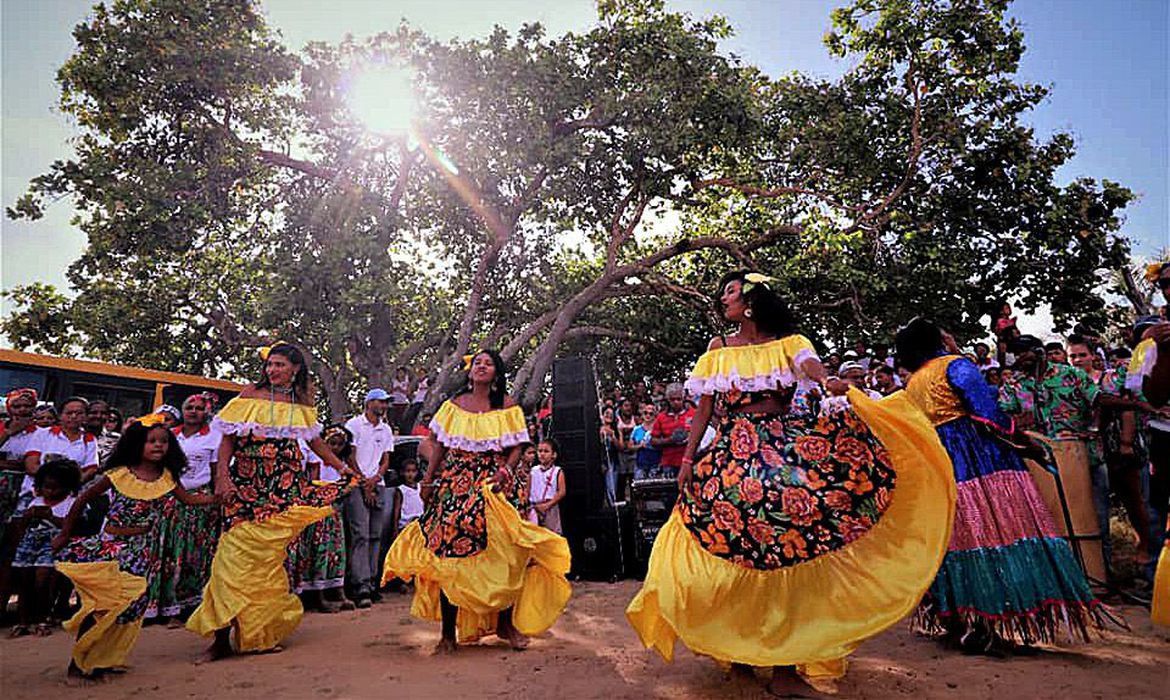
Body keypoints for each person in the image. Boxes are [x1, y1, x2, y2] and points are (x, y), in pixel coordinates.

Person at [626, 270, 955, 697]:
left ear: (751, 301)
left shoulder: (791, 343)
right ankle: (740, 654)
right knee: (733, 550)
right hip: (730, 457)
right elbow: (705, 408)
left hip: (780, 451)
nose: (723, 299)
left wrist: (828, 380)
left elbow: (810, 367)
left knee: (784, 552)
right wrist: (688, 459)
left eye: (730, 292)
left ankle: (783, 666)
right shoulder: (717, 348)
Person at [896, 318, 1103, 654]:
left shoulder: (914, 383)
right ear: (937, 340)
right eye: (944, 333)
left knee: (961, 541)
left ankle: (963, 623)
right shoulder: (955, 366)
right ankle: (988, 624)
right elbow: (987, 414)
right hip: (981, 461)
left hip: (941, 469)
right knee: (998, 533)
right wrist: (1025, 442)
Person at [382, 349, 571, 653]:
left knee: (506, 553)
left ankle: (505, 625)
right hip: (456, 486)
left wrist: (506, 471)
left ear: (496, 373)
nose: (482, 366)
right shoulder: (453, 405)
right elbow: (438, 446)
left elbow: (517, 446)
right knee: (449, 556)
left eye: (489, 363)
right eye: (478, 363)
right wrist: (428, 481)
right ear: (470, 371)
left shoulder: (507, 405)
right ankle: (447, 634)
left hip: (495, 485)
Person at [186, 341, 358, 662]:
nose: (273, 370)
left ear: (295, 368)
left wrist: (343, 468)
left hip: (284, 490)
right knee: (228, 562)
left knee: (266, 565)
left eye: (280, 365)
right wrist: (223, 477)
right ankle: (220, 639)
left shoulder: (301, 400)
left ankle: (258, 634)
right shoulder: (250, 393)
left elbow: (315, 442)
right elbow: (228, 440)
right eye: (270, 364)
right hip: (245, 489)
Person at [53, 415, 216, 683]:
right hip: (111, 547)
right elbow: (81, 500)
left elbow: (189, 500)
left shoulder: (167, 478)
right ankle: (77, 664)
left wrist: (218, 498)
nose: (158, 445)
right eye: (151, 441)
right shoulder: (119, 474)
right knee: (103, 606)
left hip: (143, 551)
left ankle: (104, 660)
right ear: (136, 444)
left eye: (163, 441)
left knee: (129, 609)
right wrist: (64, 533)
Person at [999, 335, 1112, 580]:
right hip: (1041, 464)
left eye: (1024, 352)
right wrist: (1015, 423)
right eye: (1016, 354)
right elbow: (1004, 418)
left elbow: (1099, 400)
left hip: (1083, 458)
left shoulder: (1069, 374)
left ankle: (1099, 576)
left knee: (1094, 519)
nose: (1020, 358)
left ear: (1039, 351)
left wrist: (1095, 428)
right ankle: (1063, 580)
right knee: (1051, 523)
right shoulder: (1014, 385)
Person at [145, 393, 222, 624]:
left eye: (199, 408)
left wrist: (216, 501)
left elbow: (217, 471)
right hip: (166, 499)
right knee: (162, 551)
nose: (193, 411)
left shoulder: (214, 437)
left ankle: (184, 607)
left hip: (199, 502)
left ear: (206, 412)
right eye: (189, 407)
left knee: (192, 553)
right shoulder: (169, 435)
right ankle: (157, 606)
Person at [9, 459, 80, 637]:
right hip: (29, 545)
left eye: (55, 488)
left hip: (52, 546)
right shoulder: (35, 502)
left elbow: (71, 527)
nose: (50, 491)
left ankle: (43, 618)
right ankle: (23, 621)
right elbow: (22, 526)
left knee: (43, 581)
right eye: (46, 487)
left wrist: (50, 517)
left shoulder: (71, 503)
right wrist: (28, 516)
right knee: (24, 582)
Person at [289, 424, 355, 613]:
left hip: (332, 509)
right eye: (332, 443)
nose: (335, 447)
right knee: (317, 551)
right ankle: (318, 596)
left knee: (336, 551)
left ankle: (338, 591)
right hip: (316, 509)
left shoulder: (339, 463)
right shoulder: (313, 454)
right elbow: (313, 481)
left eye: (340, 444)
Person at [343, 388, 394, 608]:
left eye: (386, 403)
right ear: (369, 403)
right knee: (360, 535)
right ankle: (359, 584)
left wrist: (376, 479)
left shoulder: (386, 429)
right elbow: (350, 457)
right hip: (357, 485)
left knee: (375, 535)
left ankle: (373, 582)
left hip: (377, 484)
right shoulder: (354, 425)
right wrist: (364, 483)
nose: (384, 406)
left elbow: (386, 459)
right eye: (381, 402)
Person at [650, 384, 694, 478]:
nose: (676, 402)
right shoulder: (661, 417)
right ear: (668, 400)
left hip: (690, 461)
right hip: (669, 463)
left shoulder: (692, 414)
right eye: (672, 399)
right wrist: (670, 440)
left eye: (679, 399)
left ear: (684, 398)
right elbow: (653, 441)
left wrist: (689, 438)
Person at [529, 438, 566, 534]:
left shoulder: (557, 471)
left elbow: (562, 491)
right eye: (540, 451)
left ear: (554, 455)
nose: (542, 454)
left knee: (552, 535)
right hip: (534, 507)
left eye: (546, 451)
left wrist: (547, 505)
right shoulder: (533, 471)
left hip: (550, 507)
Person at [630, 403, 662, 480]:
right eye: (645, 413)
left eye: (651, 414)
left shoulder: (659, 429)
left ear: (655, 415)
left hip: (655, 464)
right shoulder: (636, 429)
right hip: (640, 464)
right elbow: (630, 446)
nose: (648, 415)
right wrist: (639, 446)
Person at [509, 446, 536, 523]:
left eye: (534, 453)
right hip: (519, 503)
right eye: (529, 453)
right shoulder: (516, 471)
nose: (532, 455)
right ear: (521, 456)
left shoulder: (535, 470)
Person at [599, 407, 620, 505]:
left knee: (611, 487)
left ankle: (612, 505)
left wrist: (613, 436)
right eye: (607, 413)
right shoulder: (597, 428)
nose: (609, 416)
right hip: (600, 461)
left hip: (612, 461)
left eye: (611, 414)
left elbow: (620, 447)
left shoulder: (615, 430)